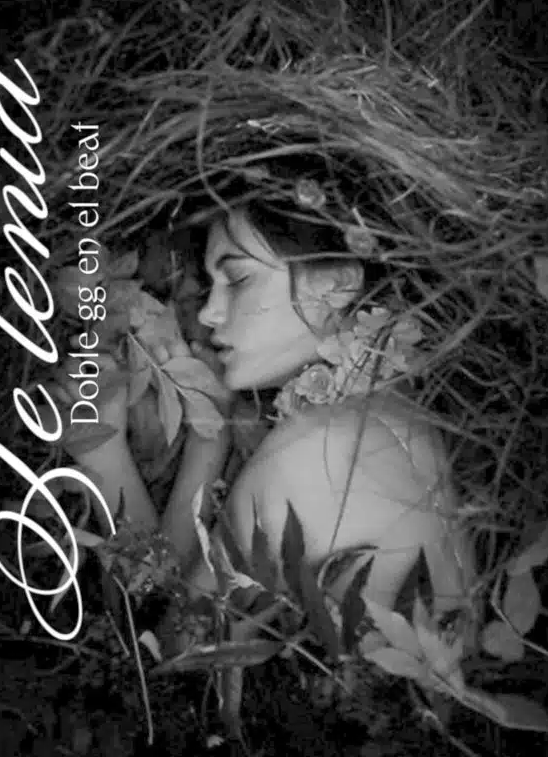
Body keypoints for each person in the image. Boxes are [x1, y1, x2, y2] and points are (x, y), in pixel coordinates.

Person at [53, 168, 473, 622]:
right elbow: (182, 608)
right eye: (210, 287)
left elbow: (161, 640)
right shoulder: (386, 416)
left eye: (238, 280)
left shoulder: (313, 453)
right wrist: (210, 440)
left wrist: (104, 461)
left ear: (336, 283)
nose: (211, 314)